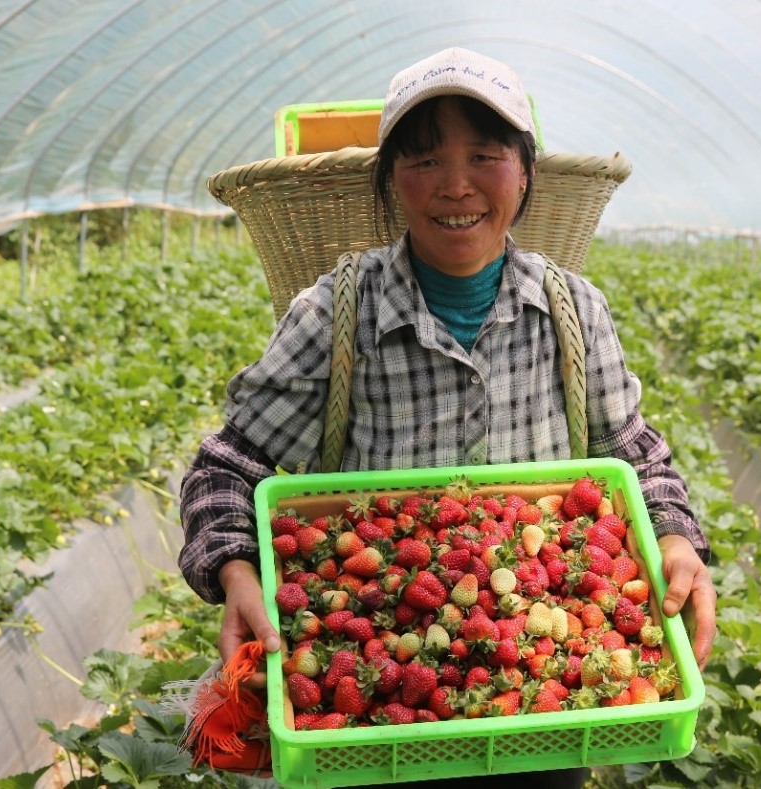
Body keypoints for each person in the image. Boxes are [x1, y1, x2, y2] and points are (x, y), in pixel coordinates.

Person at [180, 47, 715, 788]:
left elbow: (634, 455)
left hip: (538, 708)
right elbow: (226, 467)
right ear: (391, 180)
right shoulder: (336, 314)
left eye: (484, 155)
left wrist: (676, 540)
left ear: (524, 172)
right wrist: (234, 568)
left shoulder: (572, 310)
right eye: (424, 159)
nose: (455, 185)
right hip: (374, 693)